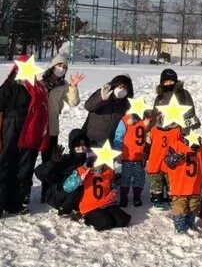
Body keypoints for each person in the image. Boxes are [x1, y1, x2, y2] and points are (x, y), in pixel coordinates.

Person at [0, 55, 49, 224]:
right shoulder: (7, 87)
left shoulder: (36, 88)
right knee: (1, 168)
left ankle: (15, 203)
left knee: (22, 170)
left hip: (28, 134)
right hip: (8, 131)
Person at [35, 55, 85, 203]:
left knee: (50, 160)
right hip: (35, 126)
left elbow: (73, 102)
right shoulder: (38, 79)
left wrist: (73, 86)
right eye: (59, 65)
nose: (61, 69)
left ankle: (46, 191)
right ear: (52, 66)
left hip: (52, 128)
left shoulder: (64, 85)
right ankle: (24, 192)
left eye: (64, 67)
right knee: (28, 158)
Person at [62, 154, 131, 231]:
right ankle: (87, 217)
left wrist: (114, 190)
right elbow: (66, 187)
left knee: (123, 221)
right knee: (105, 223)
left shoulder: (109, 170)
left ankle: (108, 215)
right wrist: (79, 179)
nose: (99, 164)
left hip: (106, 202)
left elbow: (112, 184)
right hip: (90, 206)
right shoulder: (82, 170)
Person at [34, 128, 92, 217]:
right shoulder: (65, 160)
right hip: (58, 195)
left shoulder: (89, 161)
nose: (81, 148)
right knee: (76, 186)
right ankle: (64, 210)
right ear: (72, 147)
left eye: (83, 146)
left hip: (77, 198)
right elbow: (39, 173)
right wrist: (52, 163)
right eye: (77, 146)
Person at [164, 131, 202, 233]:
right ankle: (179, 227)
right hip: (180, 185)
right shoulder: (175, 146)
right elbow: (167, 162)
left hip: (195, 185)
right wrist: (173, 158)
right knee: (180, 207)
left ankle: (189, 224)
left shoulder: (201, 148)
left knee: (193, 206)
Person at [82, 75, 133, 148]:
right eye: (120, 87)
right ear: (114, 85)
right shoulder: (103, 92)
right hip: (91, 141)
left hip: (109, 145)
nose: (122, 90)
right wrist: (101, 99)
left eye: (125, 89)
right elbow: (88, 106)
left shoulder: (125, 103)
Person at [112, 112, 150, 207]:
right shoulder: (125, 120)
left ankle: (137, 196)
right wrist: (118, 150)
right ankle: (124, 196)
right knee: (126, 177)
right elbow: (118, 135)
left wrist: (147, 153)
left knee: (139, 177)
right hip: (127, 156)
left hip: (140, 157)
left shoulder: (146, 121)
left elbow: (151, 137)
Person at [153, 68, 201, 134]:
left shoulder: (184, 94)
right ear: (162, 83)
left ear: (175, 81)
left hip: (182, 132)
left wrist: (180, 126)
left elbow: (191, 115)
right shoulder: (159, 97)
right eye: (166, 82)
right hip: (164, 133)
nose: (169, 84)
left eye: (171, 81)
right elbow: (155, 115)